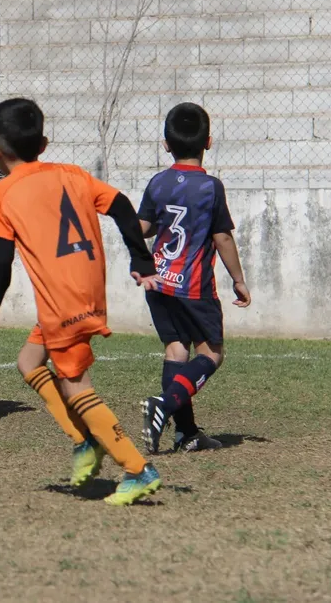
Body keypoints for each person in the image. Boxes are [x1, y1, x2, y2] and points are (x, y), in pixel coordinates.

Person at [0, 98, 163, 506]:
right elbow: (122, 206)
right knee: (28, 362)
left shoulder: (0, 194)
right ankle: (83, 442)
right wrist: (140, 257)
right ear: (43, 144)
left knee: (76, 385)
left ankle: (136, 467)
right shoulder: (73, 174)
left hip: (62, 303)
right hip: (86, 293)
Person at [138, 103, 251, 453]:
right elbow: (223, 238)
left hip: (159, 283)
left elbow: (142, 229)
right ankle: (165, 405)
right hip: (193, 287)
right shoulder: (211, 187)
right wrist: (238, 279)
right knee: (213, 353)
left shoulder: (158, 182)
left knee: (176, 350)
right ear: (209, 142)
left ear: (166, 145)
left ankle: (185, 434)